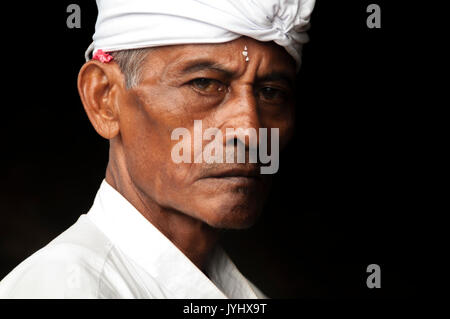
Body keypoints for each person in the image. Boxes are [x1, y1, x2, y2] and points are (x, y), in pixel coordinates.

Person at [0, 0, 315, 298]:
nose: (249, 132)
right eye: (204, 84)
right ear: (104, 98)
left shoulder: (241, 294)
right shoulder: (63, 288)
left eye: (271, 92)